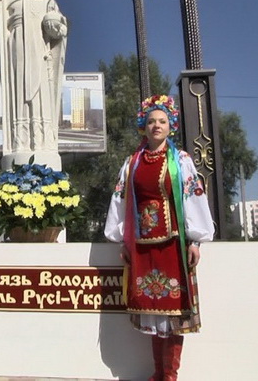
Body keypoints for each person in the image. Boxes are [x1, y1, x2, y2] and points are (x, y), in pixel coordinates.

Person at [104, 95, 215, 381]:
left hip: (173, 245)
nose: (156, 126)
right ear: (143, 125)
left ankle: (170, 376)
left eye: (162, 121)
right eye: (151, 121)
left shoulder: (181, 161)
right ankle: (158, 373)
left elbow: (193, 197)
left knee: (175, 312)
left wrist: (196, 240)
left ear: (170, 126)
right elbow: (120, 201)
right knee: (154, 311)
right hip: (142, 246)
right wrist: (122, 241)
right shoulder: (132, 163)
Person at [0, 0, 67, 167]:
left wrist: (56, 27)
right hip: (16, 51)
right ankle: (19, 142)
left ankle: (41, 142)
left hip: (39, 51)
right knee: (18, 95)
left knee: (40, 95)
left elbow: (59, 28)